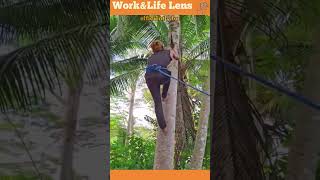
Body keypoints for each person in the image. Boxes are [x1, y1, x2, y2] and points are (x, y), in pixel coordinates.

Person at [145, 40, 179, 132]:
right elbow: (177, 58)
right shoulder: (169, 52)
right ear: (162, 46)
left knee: (157, 102)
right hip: (162, 75)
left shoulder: (150, 57)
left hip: (149, 78)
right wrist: (173, 50)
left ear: (153, 49)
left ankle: (163, 127)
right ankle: (164, 95)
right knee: (169, 76)